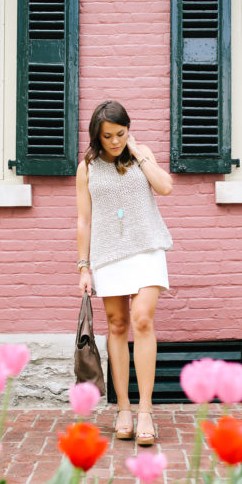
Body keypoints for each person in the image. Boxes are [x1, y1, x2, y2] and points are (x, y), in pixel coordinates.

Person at [76, 100, 173, 446]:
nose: (115, 141)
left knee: (143, 319)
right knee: (117, 325)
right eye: (108, 136)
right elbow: (84, 219)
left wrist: (137, 151)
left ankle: (145, 409)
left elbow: (165, 187)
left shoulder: (140, 153)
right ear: (97, 136)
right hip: (108, 254)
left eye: (121, 133)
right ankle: (124, 409)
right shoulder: (87, 166)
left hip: (146, 248)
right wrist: (83, 266)